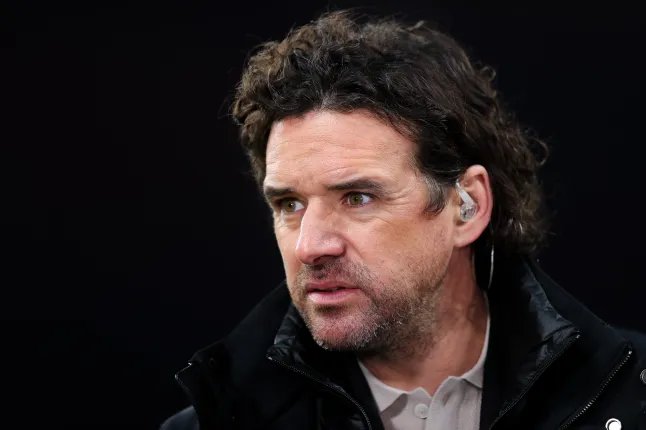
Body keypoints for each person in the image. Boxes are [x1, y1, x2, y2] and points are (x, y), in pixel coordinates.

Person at [161, 10, 646, 430]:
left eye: (357, 198)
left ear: (467, 206)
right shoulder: (215, 420)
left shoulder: (630, 398)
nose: (310, 246)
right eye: (290, 204)